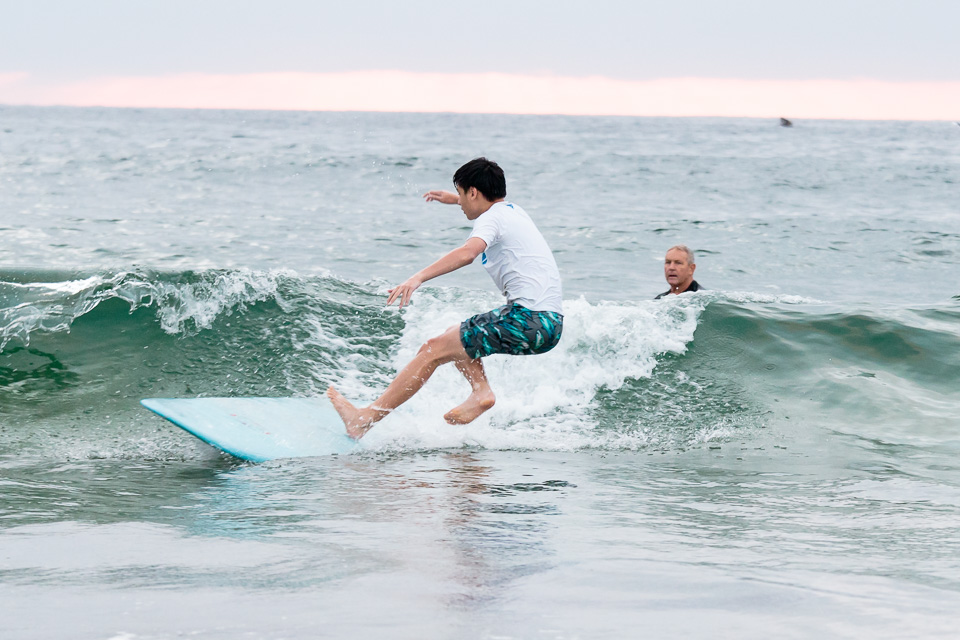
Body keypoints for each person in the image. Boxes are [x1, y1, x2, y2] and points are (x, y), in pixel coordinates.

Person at [326, 158, 564, 439]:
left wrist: (417, 278)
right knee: (456, 335)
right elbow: (484, 207)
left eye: (462, 194)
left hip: (527, 319)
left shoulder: (491, 219)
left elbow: (468, 253)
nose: (461, 202)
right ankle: (480, 392)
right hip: (549, 324)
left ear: (473, 192)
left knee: (432, 349)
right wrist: (454, 199)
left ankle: (364, 420)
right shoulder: (514, 212)